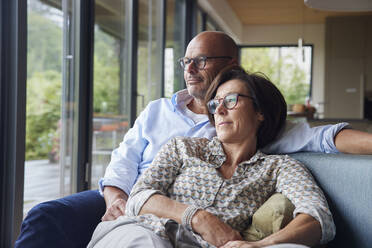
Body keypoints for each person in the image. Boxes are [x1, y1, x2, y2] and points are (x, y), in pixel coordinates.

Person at [101, 31, 372, 222]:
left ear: (230, 64)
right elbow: (122, 164)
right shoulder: (156, 110)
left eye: (201, 60)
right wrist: (116, 202)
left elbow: (321, 138)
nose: (190, 69)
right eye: (186, 61)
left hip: (191, 226)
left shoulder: (242, 121)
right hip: (135, 211)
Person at [88, 66, 335, 248]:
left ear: (260, 112)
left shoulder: (279, 167)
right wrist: (199, 218)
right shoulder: (183, 148)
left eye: (230, 100)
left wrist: (259, 246)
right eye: (216, 104)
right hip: (145, 233)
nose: (221, 110)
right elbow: (139, 198)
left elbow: (317, 216)